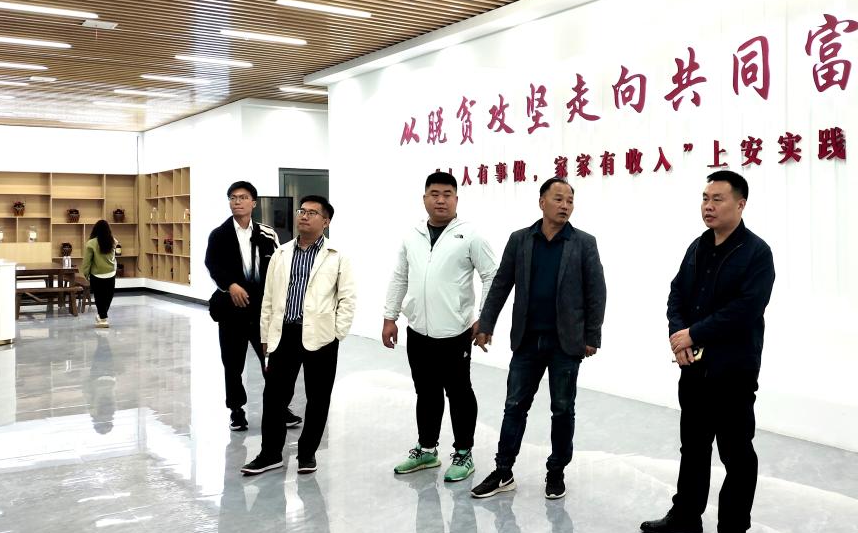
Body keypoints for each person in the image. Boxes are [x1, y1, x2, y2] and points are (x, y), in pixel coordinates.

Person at [639, 171, 775, 533]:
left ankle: (734, 532)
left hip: (733, 370)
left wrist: (694, 333)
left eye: (717, 199)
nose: (708, 206)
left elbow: (746, 309)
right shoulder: (698, 247)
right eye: (704, 198)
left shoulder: (756, 253)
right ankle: (686, 514)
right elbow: (676, 294)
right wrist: (679, 336)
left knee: (736, 452)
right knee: (693, 447)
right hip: (694, 367)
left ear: (740, 204)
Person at [470, 177, 606, 500]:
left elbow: (596, 292)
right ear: (542, 202)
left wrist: (591, 335)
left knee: (562, 409)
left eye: (570, 201)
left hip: (565, 343)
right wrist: (487, 322)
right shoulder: (520, 240)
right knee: (514, 406)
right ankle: (503, 471)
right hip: (528, 340)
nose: (565, 206)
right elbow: (502, 283)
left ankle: (556, 471)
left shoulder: (584, 243)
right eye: (558, 199)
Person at [383, 171, 497, 483]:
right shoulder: (413, 235)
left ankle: (463, 452)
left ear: (456, 199)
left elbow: (492, 275)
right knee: (426, 392)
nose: (441, 200)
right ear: (425, 198)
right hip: (418, 331)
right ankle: (427, 449)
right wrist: (390, 316)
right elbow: (400, 276)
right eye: (434, 194)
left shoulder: (470, 235)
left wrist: (484, 317)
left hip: (455, 333)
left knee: (459, 393)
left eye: (447, 194)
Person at [241, 195, 356, 475]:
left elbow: (347, 299)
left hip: (321, 336)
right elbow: (269, 298)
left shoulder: (337, 256)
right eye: (302, 211)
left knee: (318, 398)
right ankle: (270, 454)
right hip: (285, 334)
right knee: (274, 397)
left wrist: (336, 333)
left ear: (325, 222)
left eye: (312, 213)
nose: (304, 216)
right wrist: (265, 334)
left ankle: (307, 454)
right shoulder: (281, 253)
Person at [205, 181, 300, 432]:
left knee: (273, 361)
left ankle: (279, 406)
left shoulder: (267, 233)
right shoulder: (219, 235)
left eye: (243, 197)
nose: (237, 201)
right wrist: (231, 286)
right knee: (232, 363)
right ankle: (236, 410)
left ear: (253, 203)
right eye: (233, 197)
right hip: (231, 310)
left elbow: (280, 266)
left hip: (261, 311)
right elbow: (212, 265)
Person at [81, 219, 117, 329]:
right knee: (108, 297)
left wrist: (85, 274)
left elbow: (87, 261)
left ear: (95, 230)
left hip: (97, 274)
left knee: (99, 297)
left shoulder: (91, 243)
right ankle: (102, 316)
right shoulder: (113, 241)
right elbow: (114, 258)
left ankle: (103, 318)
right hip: (111, 273)